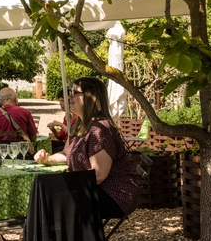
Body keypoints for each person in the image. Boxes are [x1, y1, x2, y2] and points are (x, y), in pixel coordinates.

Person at [34, 77, 138, 219]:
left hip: (114, 194)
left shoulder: (100, 129)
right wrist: (48, 159)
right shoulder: (80, 125)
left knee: (54, 201)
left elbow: (99, 175)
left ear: (90, 97)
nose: (69, 97)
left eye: (74, 92)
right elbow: (66, 154)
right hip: (92, 189)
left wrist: (66, 184)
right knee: (47, 199)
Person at [0, 87, 38, 155]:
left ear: (0, 101)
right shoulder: (25, 112)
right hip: (21, 154)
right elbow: (33, 138)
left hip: (0, 154)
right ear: (15, 98)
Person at [43, 89, 78, 154]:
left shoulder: (76, 116)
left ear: (70, 101)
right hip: (65, 143)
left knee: (51, 150)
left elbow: (73, 133)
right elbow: (60, 136)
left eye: (62, 101)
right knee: (47, 145)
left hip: (73, 145)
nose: (60, 103)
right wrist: (52, 129)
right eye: (59, 101)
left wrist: (60, 124)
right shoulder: (67, 116)